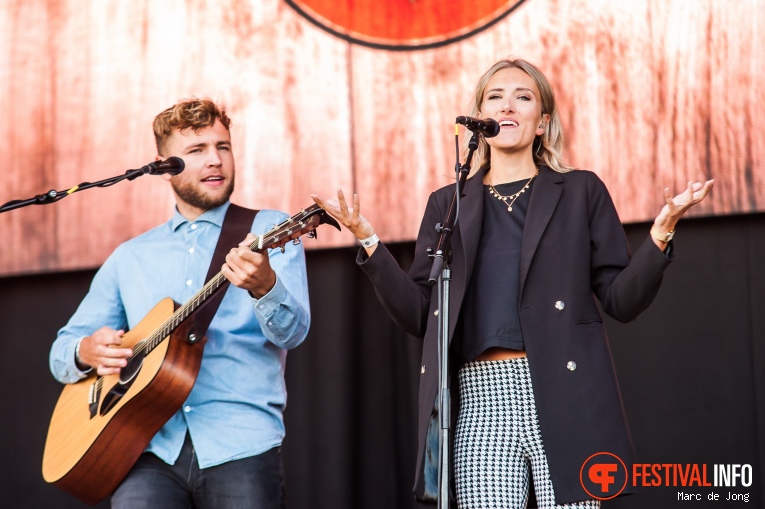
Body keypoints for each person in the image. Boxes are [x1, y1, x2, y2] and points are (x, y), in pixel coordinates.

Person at [312, 58, 713, 508]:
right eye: (495, 97)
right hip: (480, 399)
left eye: (523, 97)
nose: (508, 106)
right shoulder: (449, 204)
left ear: (542, 122)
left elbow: (621, 300)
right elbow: (420, 313)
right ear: (480, 118)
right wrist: (368, 240)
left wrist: (660, 234)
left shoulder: (580, 191)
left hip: (562, 389)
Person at [50, 98, 310, 509]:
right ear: (163, 166)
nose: (215, 161)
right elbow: (62, 351)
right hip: (146, 448)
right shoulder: (131, 256)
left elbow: (293, 332)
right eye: (196, 151)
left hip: (239, 445)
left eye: (222, 147)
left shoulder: (268, 230)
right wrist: (86, 350)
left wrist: (265, 286)